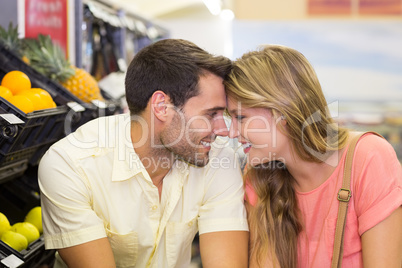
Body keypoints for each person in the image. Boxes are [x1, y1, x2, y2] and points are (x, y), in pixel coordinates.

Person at [38, 39, 249, 268]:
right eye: (211, 114)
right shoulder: (69, 165)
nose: (224, 130)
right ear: (161, 107)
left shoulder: (218, 160)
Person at [224, 44, 402, 268]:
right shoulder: (258, 177)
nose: (231, 132)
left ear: (282, 112)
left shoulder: (368, 157)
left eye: (240, 117)